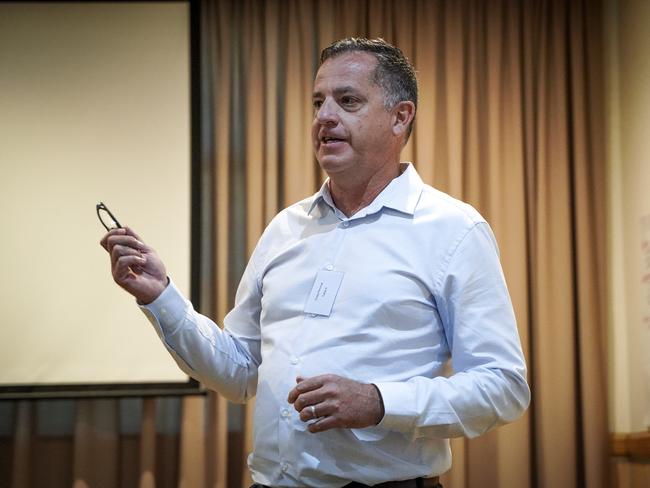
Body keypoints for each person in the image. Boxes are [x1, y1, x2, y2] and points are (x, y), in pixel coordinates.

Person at [101, 38, 530, 488]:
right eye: (318, 101)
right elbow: (240, 372)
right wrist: (161, 297)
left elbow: (503, 387)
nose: (325, 117)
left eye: (348, 101)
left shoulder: (454, 230)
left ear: (400, 117)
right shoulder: (285, 228)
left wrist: (381, 402)